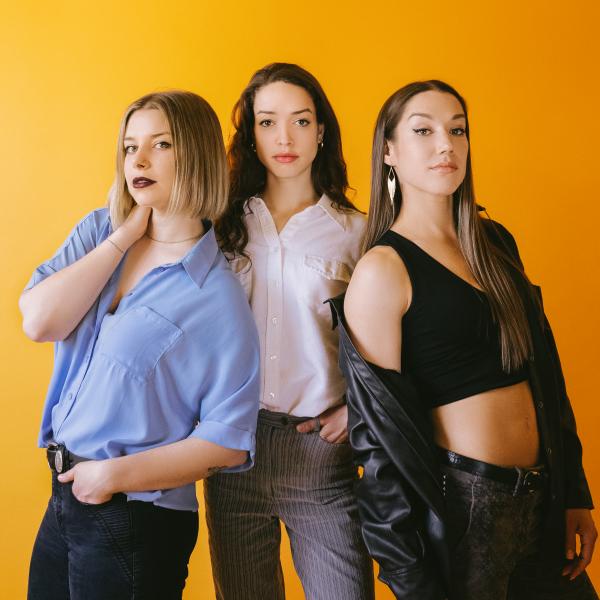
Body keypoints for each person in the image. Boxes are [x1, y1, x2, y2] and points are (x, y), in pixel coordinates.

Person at [336, 80, 597, 599]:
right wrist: (411, 581)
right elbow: (377, 444)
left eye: (457, 130)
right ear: (388, 151)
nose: (446, 145)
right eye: (423, 131)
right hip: (466, 511)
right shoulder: (383, 270)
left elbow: (546, 373)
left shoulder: (495, 243)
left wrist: (574, 492)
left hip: (541, 497)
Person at [20, 90, 260, 600]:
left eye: (161, 144)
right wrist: (122, 238)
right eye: (130, 146)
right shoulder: (99, 231)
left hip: (134, 515)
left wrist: (112, 476)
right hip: (65, 497)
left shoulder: (215, 295)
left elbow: (228, 440)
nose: (139, 160)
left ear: (195, 155)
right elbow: (40, 322)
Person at [206, 63, 374, 600]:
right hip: (233, 450)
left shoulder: (357, 232)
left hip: (321, 457)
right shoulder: (220, 226)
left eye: (301, 121)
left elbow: (396, 341)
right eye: (267, 122)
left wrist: (358, 410)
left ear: (321, 131)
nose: (285, 138)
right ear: (251, 135)